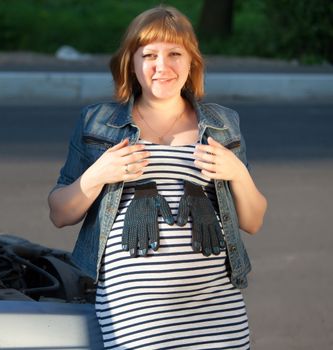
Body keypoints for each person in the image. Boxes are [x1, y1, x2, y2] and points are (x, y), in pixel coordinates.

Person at [48, 4, 267, 350]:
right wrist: (98, 175)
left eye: (174, 53)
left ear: (192, 61)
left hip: (217, 311)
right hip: (136, 316)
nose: (162, 66)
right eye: (149, 54)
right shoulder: (98, 122)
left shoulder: (223, 123)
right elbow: (60, 213)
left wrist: (237, 173)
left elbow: (253, 220)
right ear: (131, 64)